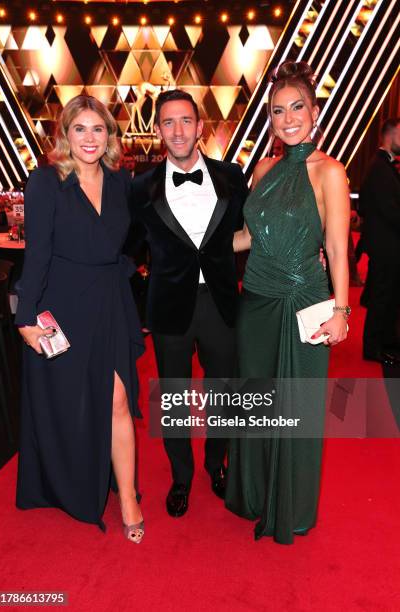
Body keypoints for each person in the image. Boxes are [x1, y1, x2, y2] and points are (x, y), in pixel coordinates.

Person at [225, 61, 350, 544]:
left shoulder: (330, 172)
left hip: (305, 303)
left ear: (314, 111)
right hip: (254, 301)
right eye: (279, 111)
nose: (288, 118)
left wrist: (341, 309)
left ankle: (289, 507)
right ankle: (254, 494)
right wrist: (194, 244)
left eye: (297, 107)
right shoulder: (263, 169)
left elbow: (337, 247)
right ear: (271, 119)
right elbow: (247, 237)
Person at [15, 95, 145, 543]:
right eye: (80, 129)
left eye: (98, 129)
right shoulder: (46, 182)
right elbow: (37, 256)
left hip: (109, 302)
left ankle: (127, 496)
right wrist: (26, 318)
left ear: (110, 135)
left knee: (117, 400)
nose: (90, 138)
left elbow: (139, 240)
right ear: (64, 135)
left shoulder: (121, 182)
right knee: (70, 403)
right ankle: (70, 480)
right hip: (64, 305)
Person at [132, 89, 249, 517]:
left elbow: (250, 232)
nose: (178, 130)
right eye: (168, 122)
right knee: (175, 399)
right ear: (158, 129)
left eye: (186, 121)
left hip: (220, 303)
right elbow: (128, 249)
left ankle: (216, 465)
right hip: (169, 309)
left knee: (224, 394)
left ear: (201, 127)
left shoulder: (231, 176)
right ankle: (181, 476)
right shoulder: (141, 186)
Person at [359, 118, 400, 365]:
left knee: (387, 296)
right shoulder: (379, 168)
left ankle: (385, 342)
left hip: (387, 246)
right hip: (386, 247)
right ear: (390, 135)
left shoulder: (384, 167)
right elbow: (391, 211)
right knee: (382, 297)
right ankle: (374, 347)